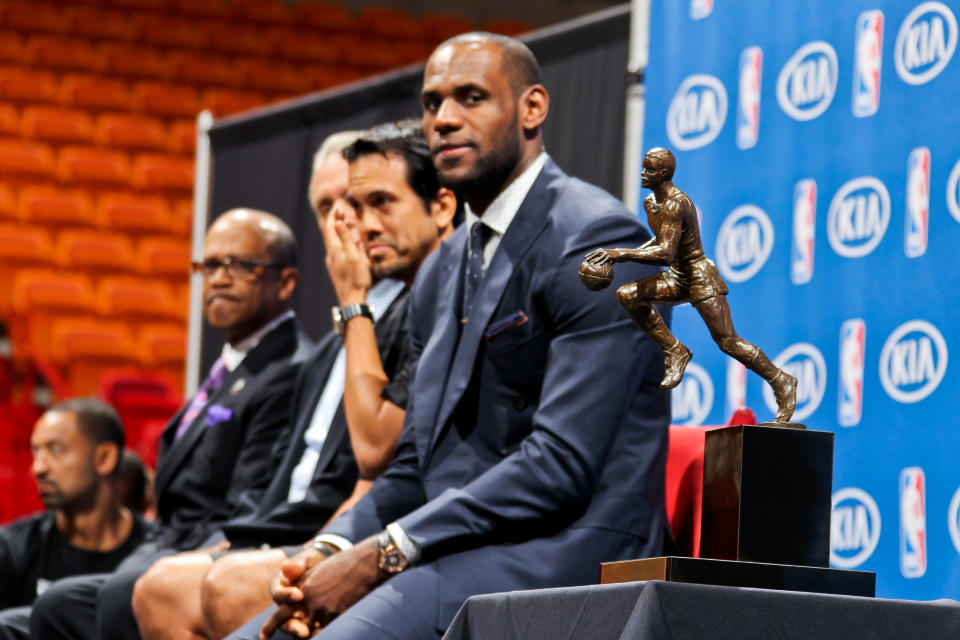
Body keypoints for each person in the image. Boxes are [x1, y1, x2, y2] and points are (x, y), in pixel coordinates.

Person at [231, 32, 670, 640]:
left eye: (470, 97)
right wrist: (331, 548)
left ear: (531, 109)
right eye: (432, 102)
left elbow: (560, 466)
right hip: (456, 541)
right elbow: (415, 460)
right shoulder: (444, 267)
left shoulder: (596, 241)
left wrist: (387, 552)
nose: (443, 119)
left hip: (569, 550)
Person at [129, 122, 456, 640]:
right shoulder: (330, 347)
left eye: (376, 204)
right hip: (328, 524)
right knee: (156, 587)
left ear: (441, 206)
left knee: (204, 587)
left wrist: (354, 302)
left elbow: (375, 458)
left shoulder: (418, 308)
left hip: (406, 530)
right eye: (335, 209)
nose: (356, 225)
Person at [29, 209, 313, 640]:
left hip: (208, 559)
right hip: (166, 547)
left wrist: (160, 569)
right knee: (21, 621)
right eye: (211, 265)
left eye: (240, 265)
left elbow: (252, 509)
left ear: (286, 282)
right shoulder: (232, 368)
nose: (219, 278)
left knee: (61, 606)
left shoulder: (289, 370)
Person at [585, 147, 797, 422]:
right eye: (643, 167)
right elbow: (660, 241)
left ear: (663, 175)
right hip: (677, 276)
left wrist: (620, 253)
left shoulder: (676, 203)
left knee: (728, 342)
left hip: (699, 277)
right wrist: (624, 254)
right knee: (627, 295)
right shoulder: (651, 203)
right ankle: (674, 349)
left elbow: (664, 252)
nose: (642, 173)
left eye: (649, 169)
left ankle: (782, 381)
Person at [0, 399, 151, 639]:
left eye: (55, 450)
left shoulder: (155, 553)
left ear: (105, 458)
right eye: (35, 451)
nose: (37, 467)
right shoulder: (11, 549)